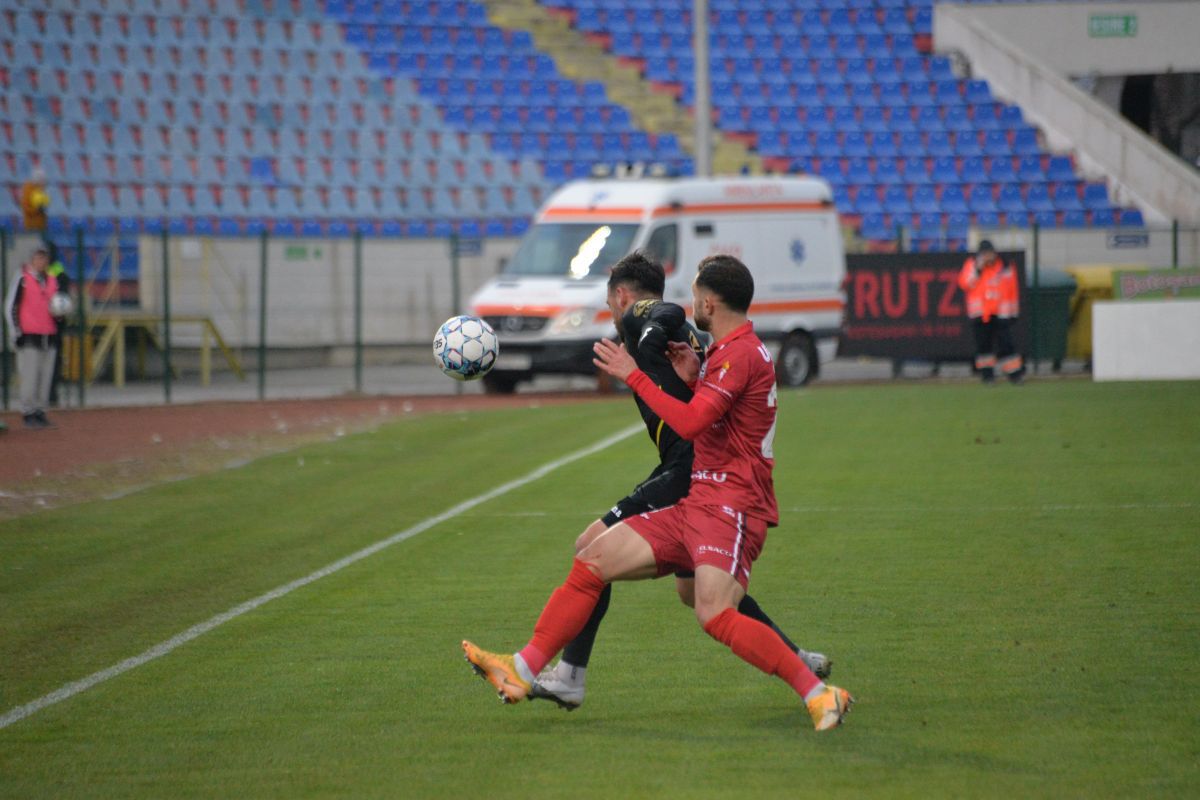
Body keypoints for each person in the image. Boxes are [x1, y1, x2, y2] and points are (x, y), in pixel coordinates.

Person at [463, 255, 854, 732]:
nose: (689, 304)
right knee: (593, 561)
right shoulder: (725, 352)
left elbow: (690, 422)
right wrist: (695, 373)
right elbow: (714, 413)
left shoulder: (741, 354)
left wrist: (634, 372)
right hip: (698, 499)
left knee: (712, 611)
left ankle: (817, 693)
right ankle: (524, 668)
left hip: (732, 504)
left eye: (694, 295)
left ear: (709, 301)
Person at [5, 247, 60, 429]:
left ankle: (40, 411)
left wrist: (60, 315)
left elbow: (56, 306)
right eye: (37, 258)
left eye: (44, 259)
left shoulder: (51, 280)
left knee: (45, 376)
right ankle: (28, 412)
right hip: (29, 335)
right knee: (29, 376)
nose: (41, 262)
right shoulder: (23, 279)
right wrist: (16, 332)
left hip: (48, 334)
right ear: (31, 260)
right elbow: (10, 306)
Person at [958, 240, 1025, 384]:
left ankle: (1015, 375)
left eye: (989, 253)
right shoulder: (972, 265)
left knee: (1007, 344)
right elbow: (964, 283)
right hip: (980, 313)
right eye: (984, 254)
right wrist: (978, 269)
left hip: (1001, 312)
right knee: (984, 346)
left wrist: (1013, 312)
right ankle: (987, 376)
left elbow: (1012, 289)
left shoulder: (1005, 266)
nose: (988, 256)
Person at [19, 168, 50, 236]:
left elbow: (45, 203)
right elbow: (25, 208)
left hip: (42, 224)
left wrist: (44, 206)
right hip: (31, 225)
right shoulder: (27, 189)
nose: (44, 182)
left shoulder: (41, 189)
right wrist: (37, 210)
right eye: (42, 180)